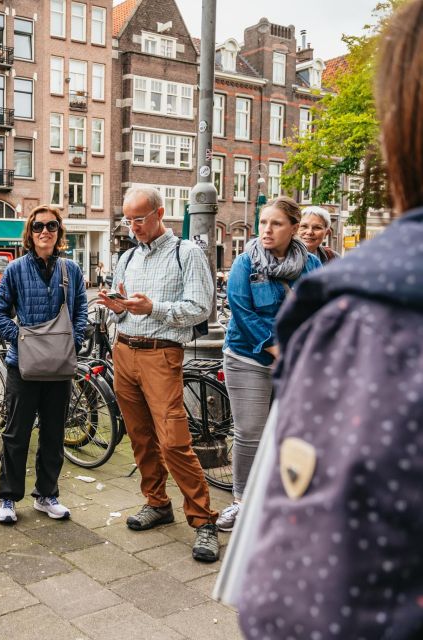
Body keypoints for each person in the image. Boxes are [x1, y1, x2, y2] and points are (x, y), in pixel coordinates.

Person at [233, 3, 423, 635]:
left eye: (284, 224)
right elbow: (242, 304)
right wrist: (270, 346)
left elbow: (297, 598)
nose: (275, 231)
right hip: (252, 360)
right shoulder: (276, 273)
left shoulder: (358, 315)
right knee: (248, 439)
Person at [96, 186, 219, 562]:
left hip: (162, 355)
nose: (133, 227)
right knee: (140, 436)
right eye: (128, 219)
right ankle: (157, 502)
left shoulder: (188, 253)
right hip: (125, 351)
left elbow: (201, 306)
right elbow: (123, 311)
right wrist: (116, 307)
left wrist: (154, 309)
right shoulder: (128, 257)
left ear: (160, 213)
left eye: (139, 219)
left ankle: (204, 521)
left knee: (173, 441)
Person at [215, 196, 320, 533]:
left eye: (276, 223)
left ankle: (277, 498)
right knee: (249, 432)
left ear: (293, 228)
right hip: (248, 357)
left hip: (294, 360)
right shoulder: (246, 264)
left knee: (286, 433)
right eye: (263, 223)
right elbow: (242, 313)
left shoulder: (311, 266)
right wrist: (278, 349)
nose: (267, 230)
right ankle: (241, 501)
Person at [0, 205, 87, 524]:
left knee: (54, 433)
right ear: (29, 233)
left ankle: (47, 494)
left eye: (52, 226)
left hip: (59, 367)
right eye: (38, 226)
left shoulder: (71, 270)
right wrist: (19, 337)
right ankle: (8, 498)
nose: (45, 231)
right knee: (16, 433)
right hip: (23, 366)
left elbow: (81, 309)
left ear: (60, 232)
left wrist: (77, 339)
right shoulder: (15, 269)